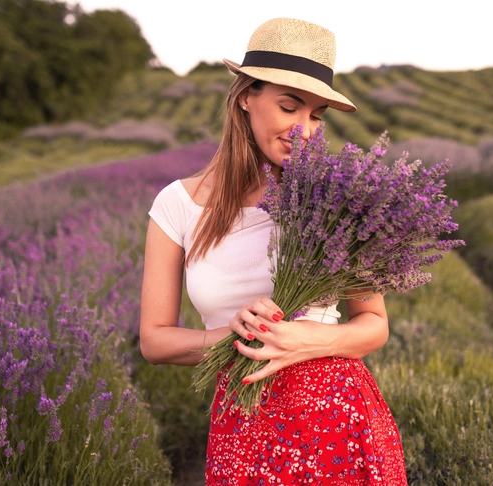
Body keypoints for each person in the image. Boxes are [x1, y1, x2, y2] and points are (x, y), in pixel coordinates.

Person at [140, 17, 408, 485]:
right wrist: (236, 338)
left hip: (337, 416)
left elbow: (374, 325)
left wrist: (305, 338)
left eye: (317, 115)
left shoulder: (332, 198)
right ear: (246, 96)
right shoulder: (176, 205)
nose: (304, 129)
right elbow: (155, 340)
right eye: (289, 107)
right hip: (241, 421)